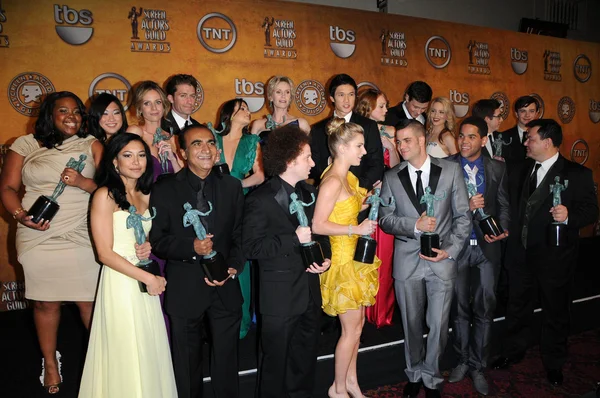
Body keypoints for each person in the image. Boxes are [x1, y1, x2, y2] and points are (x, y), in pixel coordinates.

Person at [0, 91, 103, 394]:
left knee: (89, 302)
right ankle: (50, 363)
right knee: (45, 302)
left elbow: (109, 189)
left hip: (82, 232)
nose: (72, 117)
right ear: (49, 114)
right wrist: (20, 215)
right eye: (63, 111)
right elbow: (7, 186)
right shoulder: (26, 145)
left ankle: (104, 358)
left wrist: (83, 182)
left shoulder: (92, 144)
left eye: (77, 112)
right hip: (37, 232)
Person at [491, 119, 598, 386]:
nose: (525, 143)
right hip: (519, 254)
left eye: (531, 139)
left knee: (556, 311)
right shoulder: (519, 169)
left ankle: (554, 362)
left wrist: (569, 215)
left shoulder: (577, 174)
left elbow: (591, 211)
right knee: (517, 305)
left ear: (547, 142)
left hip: (555, 257)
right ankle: (513, 352)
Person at [149, 124, 245, 398]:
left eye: (210, 143)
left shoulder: (232, 186)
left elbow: (240, 235)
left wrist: (234, 267)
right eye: (196, 144)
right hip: (185, 287)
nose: (206, 149)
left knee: (228, 363)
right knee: (187, 366)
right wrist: (191, 246)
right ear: (182, 151)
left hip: (225, 286)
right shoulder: (166, 189)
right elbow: (158, 240)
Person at [378, 119, 471, 398]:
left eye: (406, 140)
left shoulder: (451, 171)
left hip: (441, 260)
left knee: (439, 324)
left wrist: (451, 250)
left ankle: (431, 376)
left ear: (420, 141)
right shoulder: (392, 176)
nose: (401, 146)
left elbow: (463, 217)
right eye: (398, 141)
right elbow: (385, 220)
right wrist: (414, 226)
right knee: (411, 322)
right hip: (407, 262)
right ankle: (414, 372)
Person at [79, 133, 176, 397]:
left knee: (146, 345)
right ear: (114, 162)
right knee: (124, 348)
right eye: (127, 155)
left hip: (144, 279)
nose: (136, 162)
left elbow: (143, 237)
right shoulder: (104, 195)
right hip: (121, 282)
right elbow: (104, 254)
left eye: (142, 155)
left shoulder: (146, 194)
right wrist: (148, 279)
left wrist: (148, 247)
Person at [243, 125, 331, 397]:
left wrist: (325, 257)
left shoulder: (310, 193)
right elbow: (251, 247)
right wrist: (292, 239)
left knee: (305, 362)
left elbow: (320, 233)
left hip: (309, 293)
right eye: (307, 157)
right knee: (274, 365)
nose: (313, 163)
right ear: (290, 160)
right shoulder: (260, 199)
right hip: (279, 299)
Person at [312, 118, 381, 398]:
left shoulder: (348, 176)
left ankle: (351, 383)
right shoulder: (331, 181)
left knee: (358, 327)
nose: (364, 152)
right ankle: (338, 389)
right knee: (349, 331)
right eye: (359, 146)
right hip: (342, 263)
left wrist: (365, 202)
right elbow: (318, 225)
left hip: (355, 258)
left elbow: (346, 207)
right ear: (341, 147)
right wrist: (356, 227)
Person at [446, 117, 510, 396]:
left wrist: (503, 229)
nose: (464, 142)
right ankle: (461, 360)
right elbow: (439, 209)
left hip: (487, 248)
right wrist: (464, 205)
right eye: (461, 136)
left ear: (483, 140)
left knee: (484, 309)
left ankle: (478, 366)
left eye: (471, 137)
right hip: (458, 247)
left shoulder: (497, 167)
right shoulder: (446, 166)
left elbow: (504, 204)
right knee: (459, 309)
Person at [215, 98, 264, 339]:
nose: (247, 112)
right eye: (242, 108)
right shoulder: (212, 138)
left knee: (240, 262)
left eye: (247, 108)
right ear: (229, 114)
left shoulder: (251, 142)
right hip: (212, 207)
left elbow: (260, 176)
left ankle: (242, 323)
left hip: (241, 205)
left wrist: (237, 186)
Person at [355, 88, 398, 328]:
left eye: (386, 105)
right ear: (367, 107)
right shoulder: (355, 133)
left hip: (387, 201)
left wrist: (390, 147)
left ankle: (381, 312)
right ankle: (362, 311)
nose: (385, 110)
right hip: (362, 200)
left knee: (385, 257)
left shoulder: (390, 132)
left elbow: (398, 167)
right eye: (380, 106)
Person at [310, 73, 384, 191]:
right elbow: (312, 169)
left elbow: (377, 165)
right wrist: (330, 161)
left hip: (360, 194)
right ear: (332, 98)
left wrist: (356, 188)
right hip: (328, 193)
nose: (346, 100)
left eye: (351, 94)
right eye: (341, 95)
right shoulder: (318, 129)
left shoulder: (368, 126)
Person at [127, 80, 183, 179]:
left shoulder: (174, 139)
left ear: (164, 105)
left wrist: (173, 159)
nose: (154, 108)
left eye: (158, 102)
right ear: (139, 108)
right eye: (147, 103)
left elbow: (182, 178)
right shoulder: (135, 132)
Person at [250, 76, 310, 144]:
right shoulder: (258, 125)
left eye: (287, 92)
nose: (283, 96)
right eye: (278, 92)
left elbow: (310, 152)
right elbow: (251, 153)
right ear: (270, 97)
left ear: (290, 97)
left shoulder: (301, 124)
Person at [499, 95, 540, 164]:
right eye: (523, 111)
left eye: (531, 111)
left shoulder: (543, 136)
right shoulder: (503, 137)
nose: (527, 115)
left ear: (536, 113)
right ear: (516, 114)